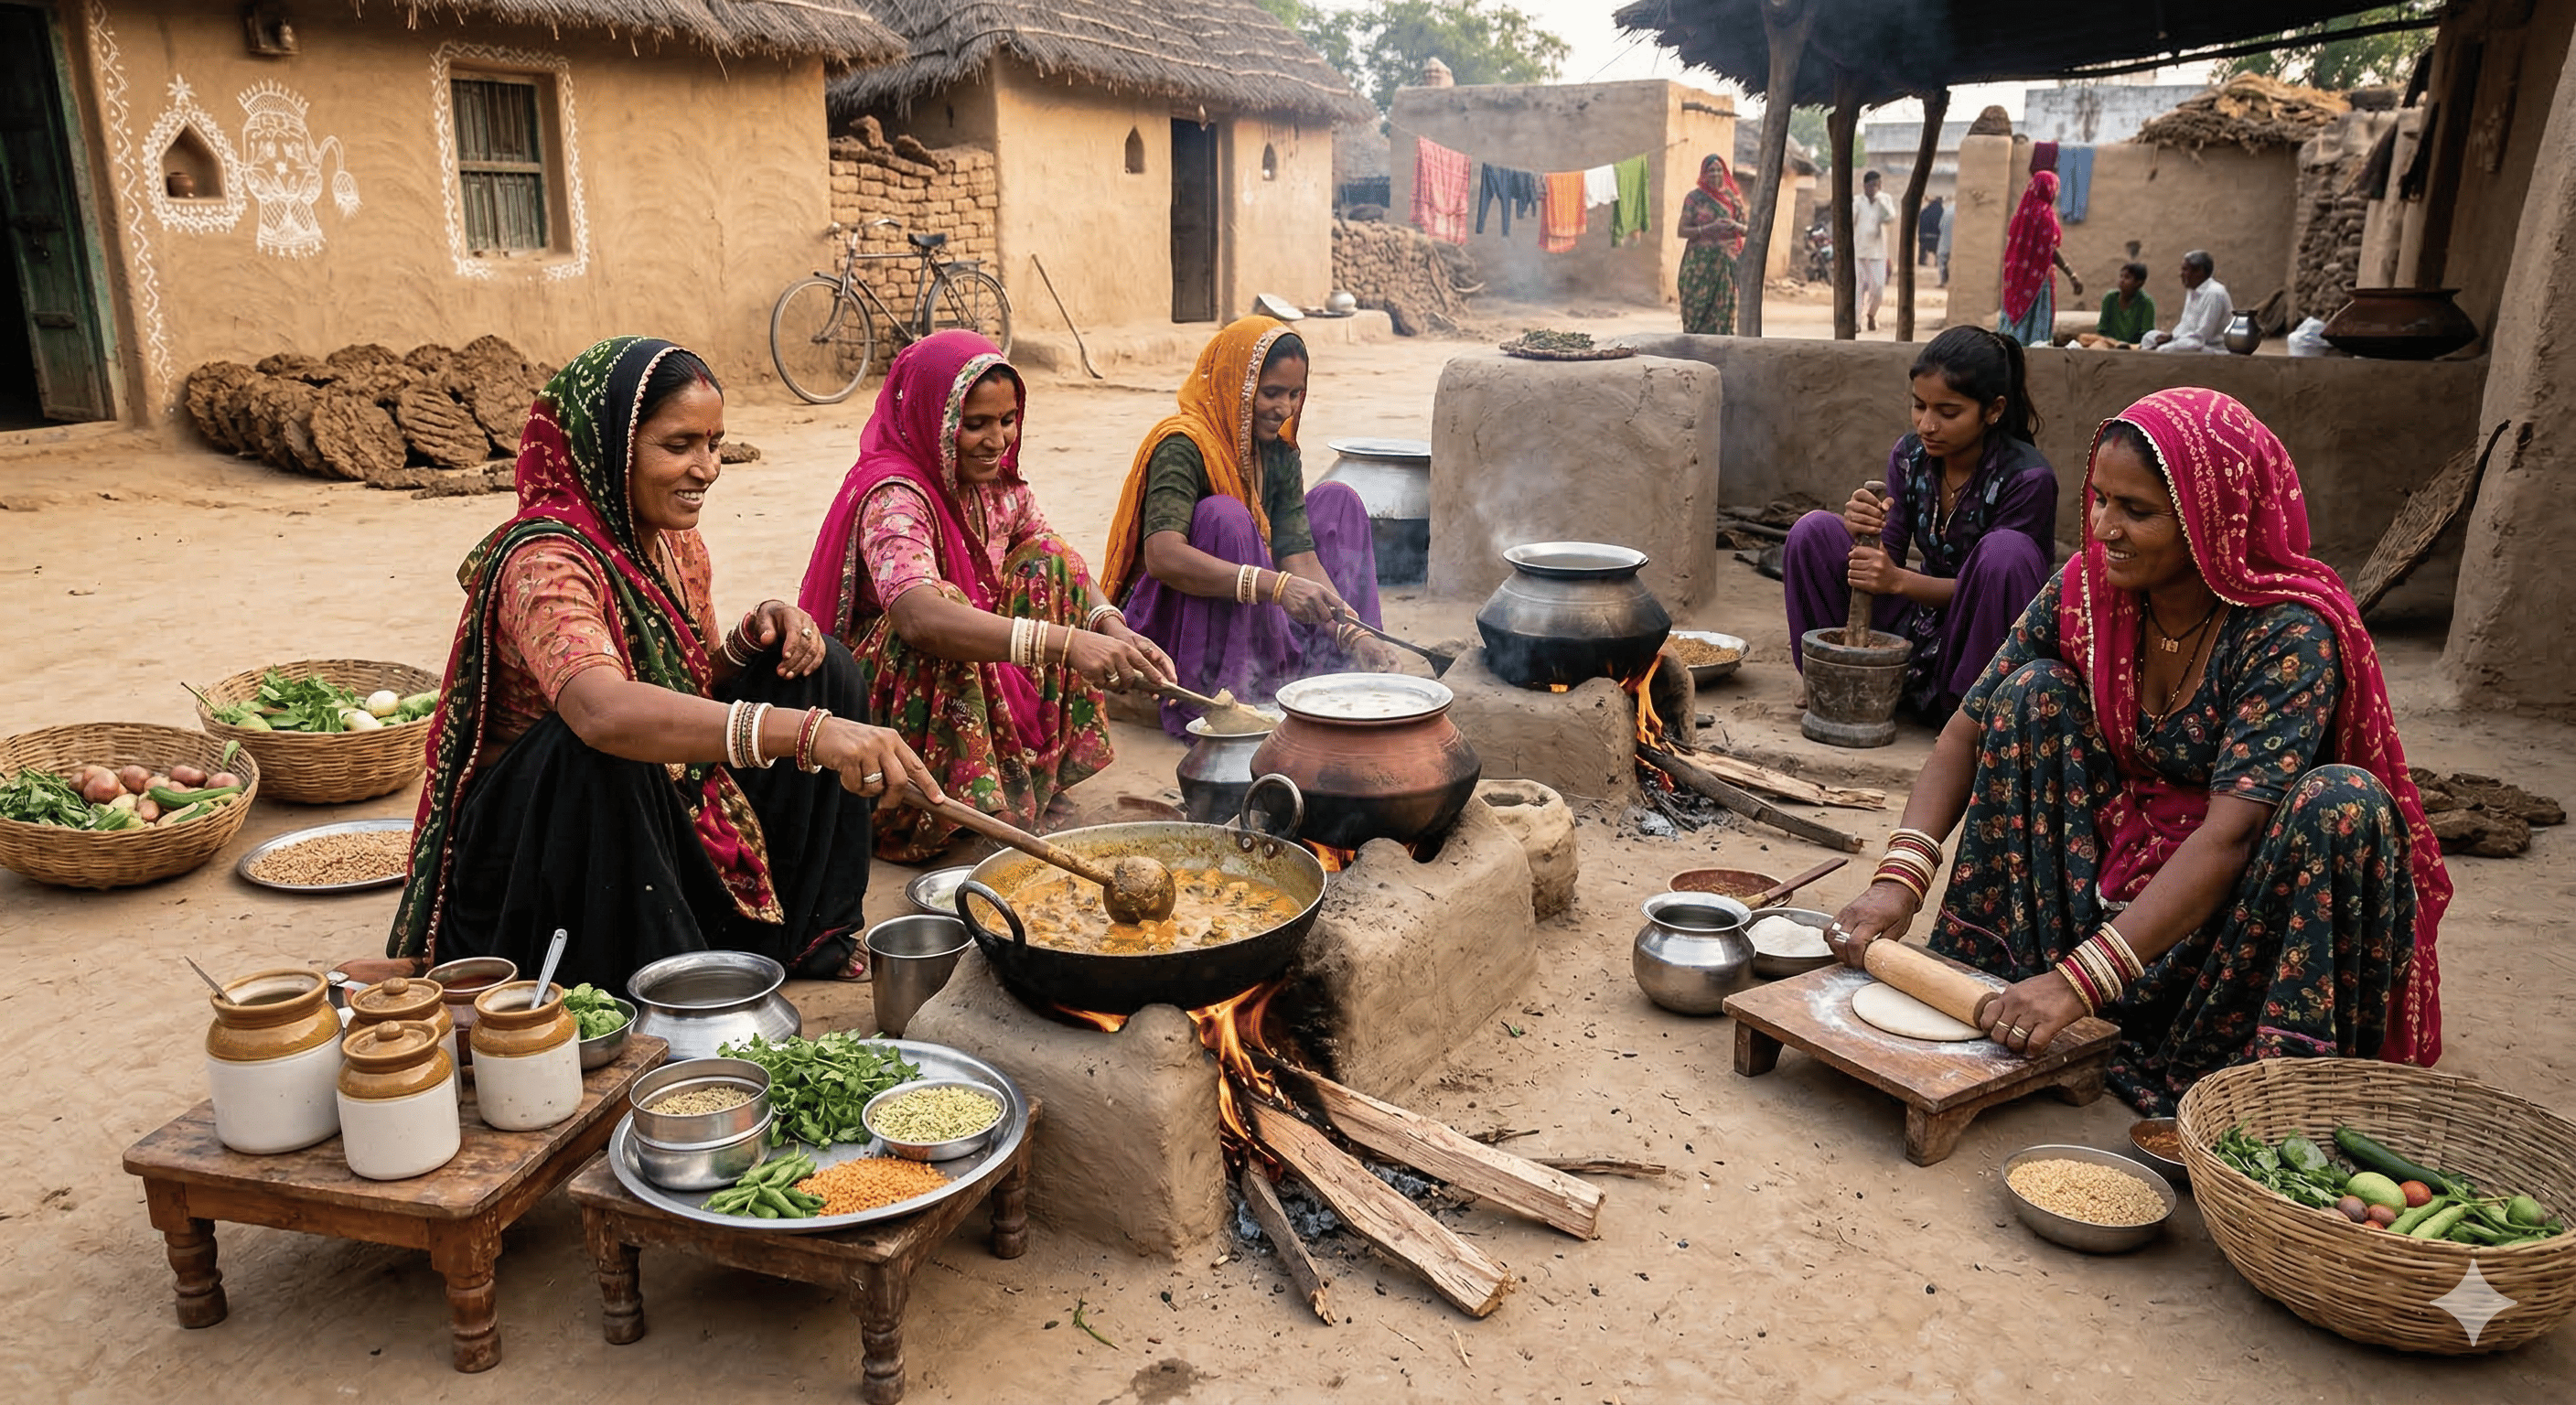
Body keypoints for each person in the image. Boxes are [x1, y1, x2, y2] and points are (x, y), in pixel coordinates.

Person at [1827, 389, 2450, 1116]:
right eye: (2099, 500)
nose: (2104, 528)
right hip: (2107, 878)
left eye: (2137, 511)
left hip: (2232, 922)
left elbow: (2233, 833)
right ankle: (2006, 983)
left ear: (2211, 519)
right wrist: (1899, 880)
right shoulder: (2089, 589)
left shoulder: (2287, 633)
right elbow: (1967, 727)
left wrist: (2080, 982)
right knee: (2033, 694)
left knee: (2341, 803)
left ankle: (2241, 1078)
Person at [389, 337, 941, 992]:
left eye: (713, 443)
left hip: (649, 795)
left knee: (822, 672)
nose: (705, 468)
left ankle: (803, 937)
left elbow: (688, 680)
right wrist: (809, 735)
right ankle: (666, 981)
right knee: (606, 748)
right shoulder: (544, 559)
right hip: (545, 839)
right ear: (608, 449)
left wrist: (749, 644)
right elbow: (602, 711)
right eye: (678, 446)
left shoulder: (675, 542)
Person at [799, 332, 1174, 862]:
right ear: (935, 418)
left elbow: (1059, 560)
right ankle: (927, 811)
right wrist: (1065, 645)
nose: (996, 440)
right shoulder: (895, 496)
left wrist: (1113, 625)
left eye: (1006, 421)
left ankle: (1025, 781)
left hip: (972, 661)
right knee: (947, 605)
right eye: (974, 425)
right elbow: (918, 617)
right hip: (890, 689)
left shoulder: (998, 487)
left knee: (1050, 558)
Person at [1100, 316, 1396, 736]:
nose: (1285, 409)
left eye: (1295, 394)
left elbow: (1298, 555)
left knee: (1338, 501)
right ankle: (1224, 698)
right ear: (1234, 386)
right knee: (1226, 518)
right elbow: (1163, 556)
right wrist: (1275, 587)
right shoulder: (1182, 445)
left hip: (1255, 610)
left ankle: (1340, 673)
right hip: (1177, 625)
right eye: (1271, 393)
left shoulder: (1278, 451)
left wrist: (1351, 632)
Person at [1782, 327, 2056, 723]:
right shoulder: (1911, 455)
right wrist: (1864, 529)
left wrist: (1898, 581)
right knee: (1813, 532)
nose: (1927, 425)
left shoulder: (2027, 478)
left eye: (1948, 413)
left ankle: (1967, 718)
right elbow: (1887, 556)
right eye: (1919, 406)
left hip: (1979, 638)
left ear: (1993, 410)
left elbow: (2001, 590)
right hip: (1919, 622)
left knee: (2004, 553)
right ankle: (1835, 680)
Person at [1995, 171, 2083, 347]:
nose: (2056, 193)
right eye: (2055, 188)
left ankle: (2006, 350)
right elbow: (2050, 252)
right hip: (2038, 279)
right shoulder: (2046, 215)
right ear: (2048, 189)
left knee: (2013, 315)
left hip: (2016, 277)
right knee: (2036, 320)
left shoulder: (2022, 213)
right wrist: (2071, 274)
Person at [1677, 154, 1750, 336]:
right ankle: (1694, 354)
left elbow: (1748, 229)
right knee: (1695, 311)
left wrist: (1734, 225)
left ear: (1724, 172)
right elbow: (1682, 231)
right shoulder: (1694, 198)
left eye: (1719, 170)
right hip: (1699, 266)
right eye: (1710, 170)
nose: (1715, 174)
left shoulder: (1733, 199)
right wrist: (1709, 228)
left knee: (1723, 312)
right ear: (1703, 173)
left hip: (1725, 265)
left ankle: (1722, 356)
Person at [2141, 250, 2230, 352]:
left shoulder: (2215, 293)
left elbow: (2202, 336)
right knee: (2149, 337)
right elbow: (2186, 325)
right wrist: (2171, 337)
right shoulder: (2192, 291)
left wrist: (2174, 342)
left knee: (2164, 350)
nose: (2181, 274)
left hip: (2210, 347)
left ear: (2199, 272)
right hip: (2189, 341)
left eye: (2185, 270)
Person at [1852, 169, 1899, 331]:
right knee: (1857, 288)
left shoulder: (1885, 200)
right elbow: (1851, 219)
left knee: (1878, 288)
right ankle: (1856, 322)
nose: (1874, 188)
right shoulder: (1858, 201)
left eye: (1878, 185)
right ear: (1864, 186)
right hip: (1859, 252)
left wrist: (1879, 200)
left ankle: (1871, 314)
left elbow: (1891, 217)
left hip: (1878, 253)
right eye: (1871, 185)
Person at [2094, 261, 2156, 346]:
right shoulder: (2110, 298)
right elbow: (2102, 329)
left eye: (2127, 277)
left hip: (2134, 348)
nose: (2122, 280)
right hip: (2110, 344)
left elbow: (2146, 334)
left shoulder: (2146, 303)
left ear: (2139, 283)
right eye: (2121, 276)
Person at [1917, 196, 1945, 267]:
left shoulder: (1924, 211)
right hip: (1936, 239)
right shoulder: (1942, 212)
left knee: (1922, 251)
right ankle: (1938, 263)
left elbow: (1920, 226)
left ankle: (1921, 262)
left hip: (1923, 238)